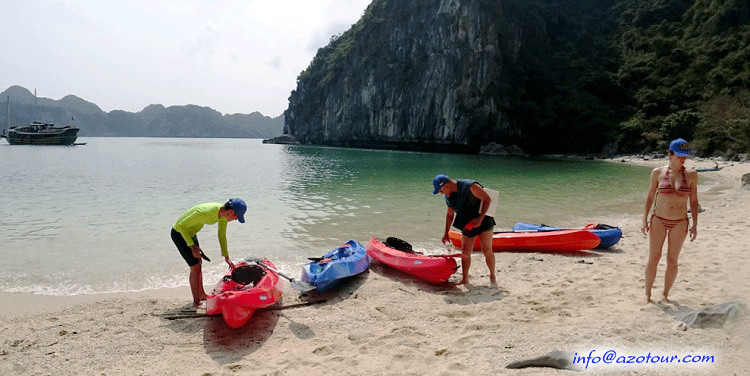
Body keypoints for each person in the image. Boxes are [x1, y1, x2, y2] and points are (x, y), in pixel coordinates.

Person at [641, 139, 699, 303]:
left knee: (672, 260)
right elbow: (650, 197)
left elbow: (694, 201)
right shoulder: (657, 172)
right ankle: (647, 293)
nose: (683, 160)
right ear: (670, 154)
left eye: (685, 157)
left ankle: (665, 294)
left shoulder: (691, 174)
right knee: (654, 257)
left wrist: (695, 224)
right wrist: (644, 220)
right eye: (679, 156)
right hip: (658, 220)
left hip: (680, 222)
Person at [171, 198, 247, 306]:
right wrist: (192, 247)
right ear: (231, 212)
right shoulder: (204, 212)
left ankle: (201, 295)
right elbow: (180, 226)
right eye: (236, 217)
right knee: (195, 266)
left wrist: (226, 257)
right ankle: (196, 302)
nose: (235, 220)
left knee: (199, 263)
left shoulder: (223, 215)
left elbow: (221, 235)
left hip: (191, 233)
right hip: (179, 233)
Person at [434, 174, 496, 285]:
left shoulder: (470, 186)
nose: (441, 193)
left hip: (484, 219)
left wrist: (480, 219)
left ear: (447, 185)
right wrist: (446, 233)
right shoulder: (448, 197)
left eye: (440, 190)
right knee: (465, 253)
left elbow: (487, 199)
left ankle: (492, 276)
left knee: (486, 250)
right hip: (467, 223)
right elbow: (449, 215)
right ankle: (465, 278)